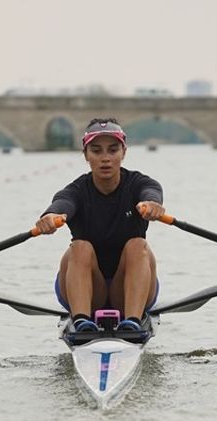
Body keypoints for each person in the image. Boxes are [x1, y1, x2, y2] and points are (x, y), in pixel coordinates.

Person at [36, 118, 166, 334]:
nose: (105, 158)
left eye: (112, 150)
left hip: (129, 289)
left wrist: (153, 204)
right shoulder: (76, 191)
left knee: (138, 245)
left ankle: (132, 323)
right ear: (86, 155)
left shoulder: (140, 184)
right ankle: (81, 322)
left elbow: (152, 192)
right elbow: (62, 203)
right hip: (86, 289)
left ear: (123, 152)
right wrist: (50, 216)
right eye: (96, 151)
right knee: (80, 247)